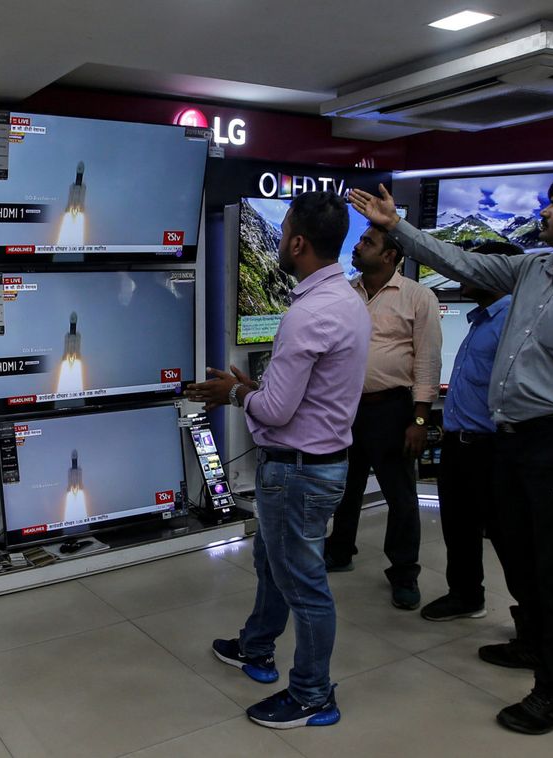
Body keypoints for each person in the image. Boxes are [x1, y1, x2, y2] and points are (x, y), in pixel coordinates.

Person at [350, 169, 553, 735]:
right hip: (509, 442)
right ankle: (533, 644)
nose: (545, 212)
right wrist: (399, 227)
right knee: (518, 555)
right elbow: (461, 263)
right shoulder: (533, 268)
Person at [186, 191, 370, 730]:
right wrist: (256, 387)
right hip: (318, 461)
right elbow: (306, 393)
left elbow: (276, 408)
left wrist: (236, 395)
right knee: (274, 563)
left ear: (296, 242)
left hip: (296, 471)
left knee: (303, 584)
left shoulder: (307, 314)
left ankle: (313, 694)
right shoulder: (348, 300)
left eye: (286, 228)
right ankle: (256, 646)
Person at [325, 225, 443, 611]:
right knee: (345, 486)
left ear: (391, 255)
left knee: (401, 496)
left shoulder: (417, 297)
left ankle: (405, 572)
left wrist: (420, 420)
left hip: (393, 410)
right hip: (346, 407)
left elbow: (427, 360)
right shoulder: (345, 292)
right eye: (358, 240)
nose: (357, 247)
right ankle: (340, 550)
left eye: (367, 242)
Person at [421, 241, 522, 623]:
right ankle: (465, 595)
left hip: (492, 448)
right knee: (459, 528)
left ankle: (534, 629)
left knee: (509, 538)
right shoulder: (484, 319)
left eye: (475, 267)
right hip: (459, 445)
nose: (464, 274)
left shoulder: (513, 322)